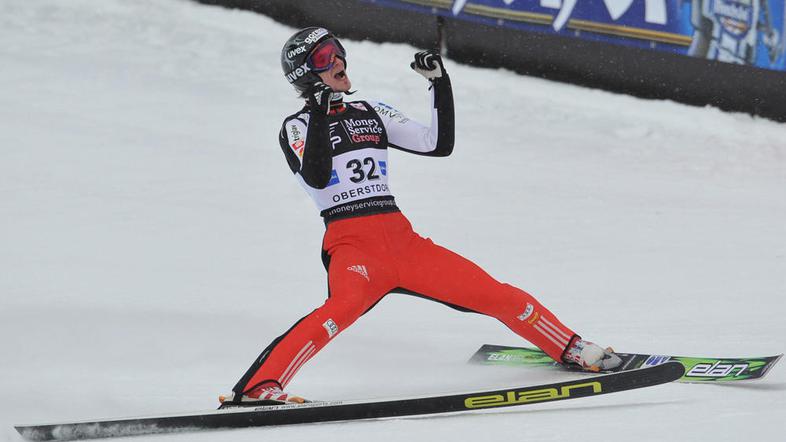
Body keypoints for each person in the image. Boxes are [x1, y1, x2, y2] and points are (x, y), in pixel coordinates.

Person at [219, 27, 621, 408]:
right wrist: (323, 115)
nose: (339, 59)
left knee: (496, 294)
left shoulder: (369, 110)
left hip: (403, 242)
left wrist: (439, 84)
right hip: (353, 244)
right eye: (326, 56)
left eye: (339, 50)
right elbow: (317, 175)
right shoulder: (297, 125)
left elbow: (436, 144)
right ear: (308, 74)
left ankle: (571, 348)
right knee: (335, 314)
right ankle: (258, 388)